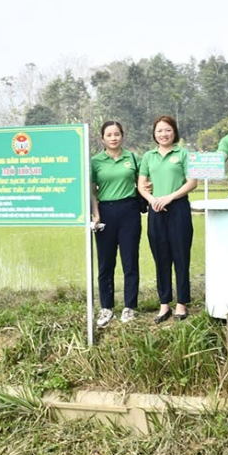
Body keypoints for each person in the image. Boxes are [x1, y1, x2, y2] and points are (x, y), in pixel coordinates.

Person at [138, 116, 197, 323]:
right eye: (159, 131)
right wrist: (153, 199)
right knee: (160, 257)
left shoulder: (183, 154)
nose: (163, 134)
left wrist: (169, 197)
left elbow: (192, 182)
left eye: (168, 130)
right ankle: (164, 304)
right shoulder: (148, 156)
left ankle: (181, 303)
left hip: (178, 208)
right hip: (156, 210)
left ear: (174, 133)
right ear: (154, 133)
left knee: (181, 256)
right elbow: (141, 184)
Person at [90, 121, 142, 328]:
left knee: (130, 261)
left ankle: (130, 306)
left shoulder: (133, 158)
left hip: (129, 210)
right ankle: (107, 307)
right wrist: (96, 214)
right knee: (105, 263)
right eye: (109, 135)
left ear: (123, 135)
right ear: (102, 138)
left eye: (117, 134)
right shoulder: (95, 162)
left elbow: (143, 182)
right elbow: (92, 191)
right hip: (105, 212)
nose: (113, 138)